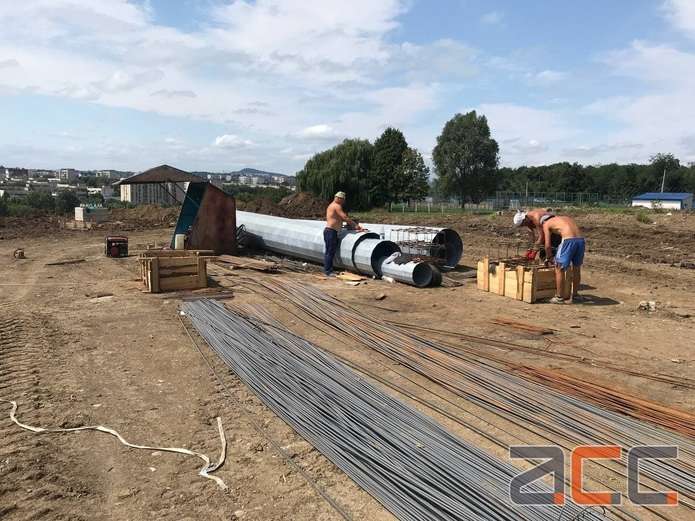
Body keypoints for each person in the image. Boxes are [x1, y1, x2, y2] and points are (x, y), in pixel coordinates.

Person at [540, 215, 585, 304]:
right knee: (576, 268)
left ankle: (559, 297)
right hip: (580, 241)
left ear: (543, 222)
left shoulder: (546, 224)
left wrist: (549, 258)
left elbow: (547, 245)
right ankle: (576, 295)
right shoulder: (565, 218)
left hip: (568, 241)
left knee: (559, 268)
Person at [324, 191, 363, 277]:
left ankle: (329, 270)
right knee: (329, 252)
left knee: (330, 252)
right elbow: (344, 217)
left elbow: (339, 218)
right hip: (331, 232)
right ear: (338, 198)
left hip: (331, 231)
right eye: (343, 200)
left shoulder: (332, 205)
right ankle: (328, 271)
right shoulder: (336, 206)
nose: (343, 202)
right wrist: (356, 226)